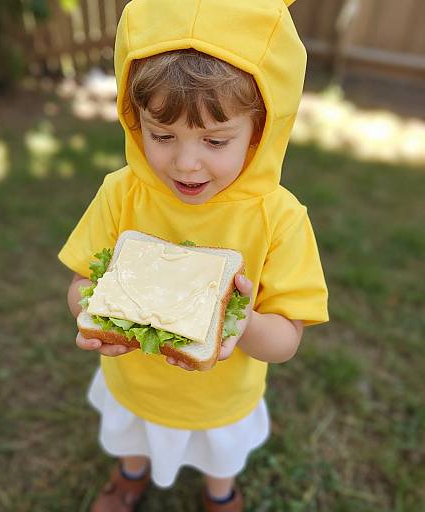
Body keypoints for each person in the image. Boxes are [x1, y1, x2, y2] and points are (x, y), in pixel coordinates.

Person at [58, 0, 328, 510]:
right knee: (132, 438)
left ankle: (219, 494)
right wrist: (95, 316)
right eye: (162, 135)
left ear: (261, 133)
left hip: (220, 400)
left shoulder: (280, 218)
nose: (185, 163)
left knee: (217, 457)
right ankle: (129, 475)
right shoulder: (122, 194)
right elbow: (78, 284)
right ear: (133, 122)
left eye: (215, 139)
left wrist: (239, 322)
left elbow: (286, 340)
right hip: (134, 384)